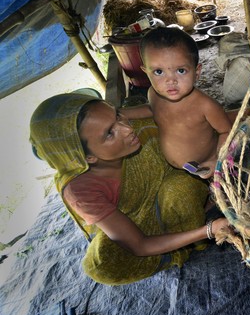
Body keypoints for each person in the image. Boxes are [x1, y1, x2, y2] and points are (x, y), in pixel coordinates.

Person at [29, 92, 229, 285]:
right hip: (131, 224)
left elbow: (185, 116)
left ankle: (192, 223)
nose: (127, 129)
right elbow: (139, 245)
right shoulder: (80, 191)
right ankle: (185, 239)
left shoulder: (135, 126)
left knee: (180, 188)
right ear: (88, 158)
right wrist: (209, 230)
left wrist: (247, 114)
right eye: (110, 133)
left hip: (168, 194)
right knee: (101, 264)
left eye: (117, 116)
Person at [138, 27, 250, 179]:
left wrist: (216, 161)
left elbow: (226, 131)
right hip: (174, 167)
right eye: (158, 72)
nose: (170, 80)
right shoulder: (153, 94)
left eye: (181, 71)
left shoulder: (205, 105)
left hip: (206, 166)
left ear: (197, 72)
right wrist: (121, 113)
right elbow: (152, 109)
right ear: (145, 71)